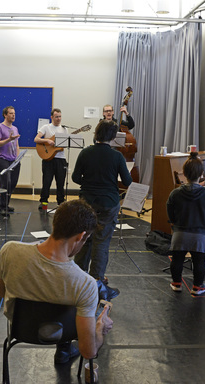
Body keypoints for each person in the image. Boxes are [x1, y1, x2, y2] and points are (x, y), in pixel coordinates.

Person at [0, 199, 113, 364]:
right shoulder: (85, 284)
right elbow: (88, 351)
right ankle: (64, 349)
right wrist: (100, 328)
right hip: (65, 332)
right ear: (81, 236)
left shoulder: (9, 251)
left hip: (20, 330)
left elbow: (1, 292)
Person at [72, 120, 132, 300]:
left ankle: (79, 277)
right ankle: (97, 281)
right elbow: (127, 182)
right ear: (113, 137)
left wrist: (90, 185)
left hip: (87, 202)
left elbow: (75, 177)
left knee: (84, 238)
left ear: (96, 133)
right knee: (102, 242)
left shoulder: (85, 153)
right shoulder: (117, 157)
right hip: (108, 203)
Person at [166, 152, 205, 295]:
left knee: (177, 260)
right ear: (201, 174)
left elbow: (169, 210)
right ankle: (198, 287)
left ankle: (176, 284)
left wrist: (174, 222)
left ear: (184, 174)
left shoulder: (175, 193)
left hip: (180, 232)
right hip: (199, 234)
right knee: (199, 262)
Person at [34, 108, 68, 210]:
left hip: (61, 159)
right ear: (52, 117)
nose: (58, 119)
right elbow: (36, 139)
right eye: (56, 116)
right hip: (48, 159)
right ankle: (44, 202)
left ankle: (61, 203)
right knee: (47, 181)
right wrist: (47, 141)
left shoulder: (65, 129)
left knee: (60, 182)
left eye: (60, 116)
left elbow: (65, 145)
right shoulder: (46, 127)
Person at [0, 106, 21, 214]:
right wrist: (9, 139)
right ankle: (4, 206)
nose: (13, 115)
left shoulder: (15, 128)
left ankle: (2, 204)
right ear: (5, 114)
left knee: (13, 183)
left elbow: (17, 145)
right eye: (11, 113)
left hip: (13, 159)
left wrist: (17, 158)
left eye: (14, 113)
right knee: (6, 182)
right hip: (2, 158)